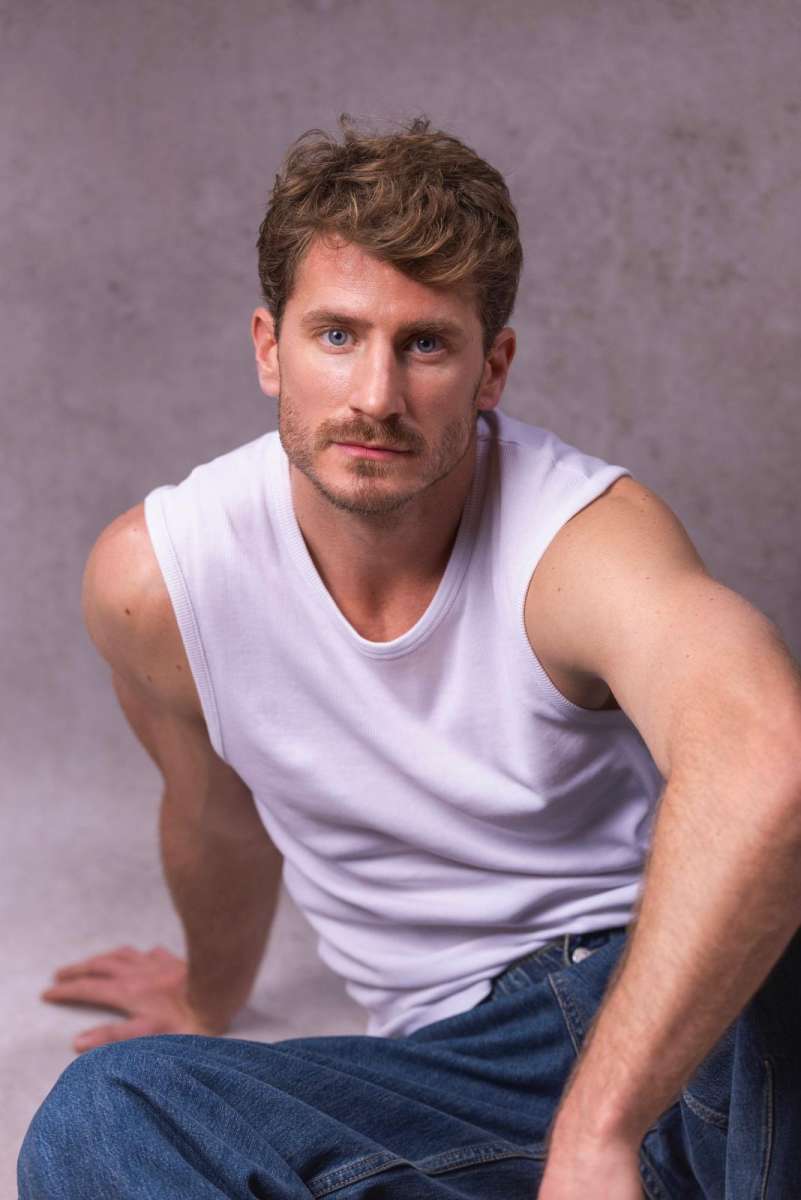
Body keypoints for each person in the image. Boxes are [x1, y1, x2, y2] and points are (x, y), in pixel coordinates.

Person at [18, 114, 801, 1200]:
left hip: (691, 1002)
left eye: (425, 344)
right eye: (337, 335)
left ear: (492, 369)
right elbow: (215, 814)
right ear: (268, 348)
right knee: (106, 1118)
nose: (375, 396)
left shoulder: (580, 542)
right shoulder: (164, 580)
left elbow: (767, 761)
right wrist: (204, 998)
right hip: (455, 1074)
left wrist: (601, 1130)